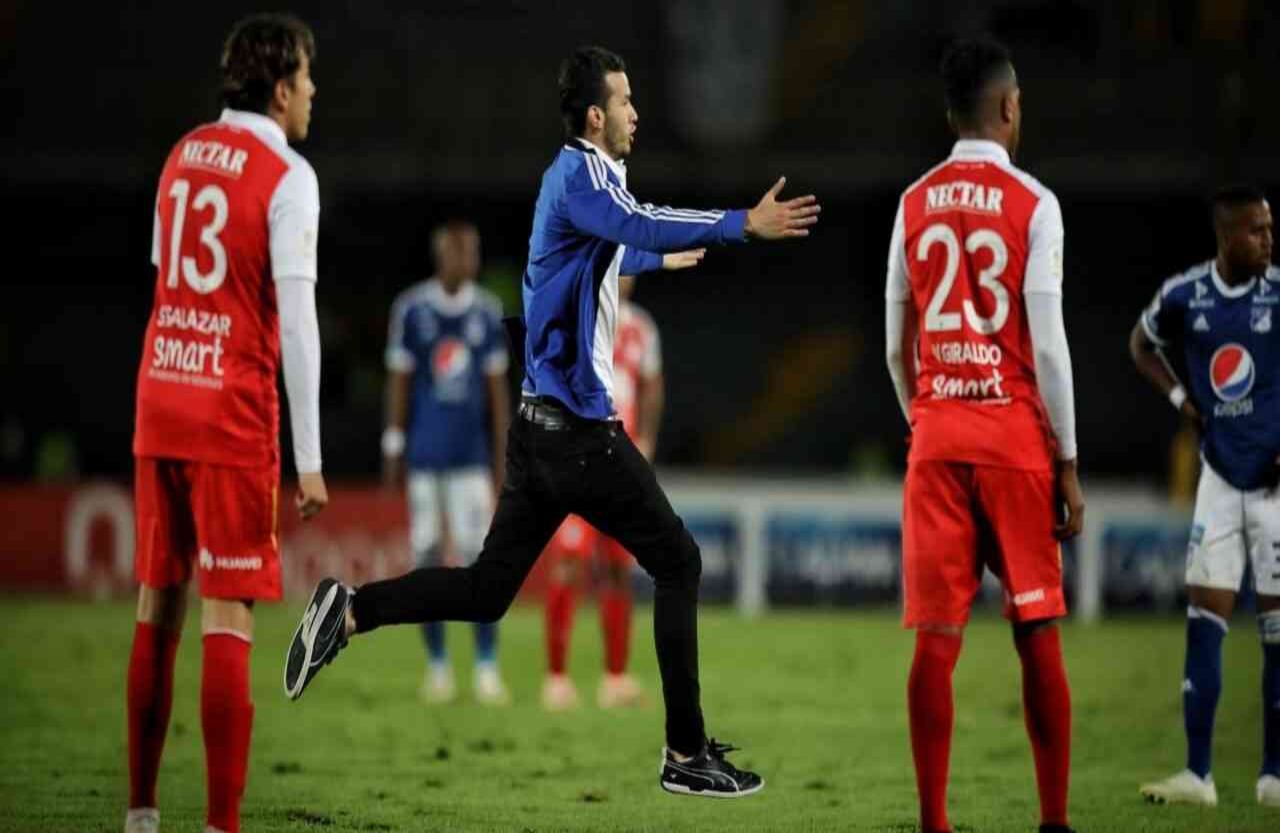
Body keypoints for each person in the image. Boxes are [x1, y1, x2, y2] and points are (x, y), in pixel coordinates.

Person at [284, 44, 818, 799]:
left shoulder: (568, 180)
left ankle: (351, 611)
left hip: (538, 432)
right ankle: (685, 751)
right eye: (627, 101)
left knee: (485, 589)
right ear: (596, 115)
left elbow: (597, 252)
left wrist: (657, 264)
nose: (638, 112)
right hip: (578, 433)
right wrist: (739, 223)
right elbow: (637, 220)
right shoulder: (585, 175)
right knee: (680, 562)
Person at [126, 14, 324, 833]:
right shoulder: (287, 171)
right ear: (280, 89)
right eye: (308, 79)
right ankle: (219, 826)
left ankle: (140, 815)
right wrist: (308, 458)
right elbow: (300, 322)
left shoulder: (180, 155)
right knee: (227, 613)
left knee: (155, 605)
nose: (314, 94)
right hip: (229, 410)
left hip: (159, 393)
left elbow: (162, 277)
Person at [884, 36, 1083, 833]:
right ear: (1007, 107)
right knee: (1037, 632)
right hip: (1014, 445)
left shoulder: (911, 201)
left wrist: (928, 418)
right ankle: (1054, 822)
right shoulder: (1037, 204)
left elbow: (895, 345)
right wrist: (1066, 460)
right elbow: (1051, 344)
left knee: (936, 640)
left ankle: (935, 823)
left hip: (936, 439)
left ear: (947, 112)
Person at [1133, 184, 1280, 809]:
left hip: (1275, 488)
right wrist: (1180, 400)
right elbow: (1140, 345)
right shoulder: (1185, 294)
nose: (1269, 240)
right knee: (1206, 622)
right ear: (1226, 237)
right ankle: (1199, 775)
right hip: (1219, 479)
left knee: (1276, 630)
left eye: (1271, 228)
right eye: (1257, 231)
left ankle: (1274, 775)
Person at [381, 220, 511, 705]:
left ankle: (485, 667)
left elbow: (498, 393)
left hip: (470, 460)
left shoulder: (487, 311)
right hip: (425, 458)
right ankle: (437, 667)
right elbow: (399, 379)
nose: (469, 260)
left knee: (480, 563)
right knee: (428, 561)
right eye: (462, 252)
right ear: (443, 256)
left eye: (473, 252)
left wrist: (503, 460)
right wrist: (393, 443)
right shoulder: (412, 309)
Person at [541, 275, 663, 711]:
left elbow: (652, 386)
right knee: (569, 564)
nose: (625, 276)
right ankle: (556, 678)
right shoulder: (574, 322)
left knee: (617, 568)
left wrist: (646, 441)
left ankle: (615, 677)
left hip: (623, 467)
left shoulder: (643, 329)